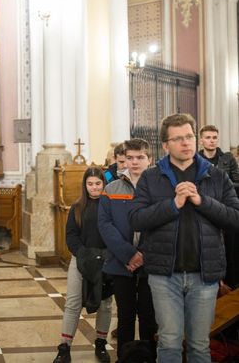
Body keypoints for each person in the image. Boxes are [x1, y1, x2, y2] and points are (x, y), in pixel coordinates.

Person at [129, 113, 239, 363]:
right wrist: (173, 204)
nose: (186, 142)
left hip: (204, 275)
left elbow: (234, 219)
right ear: (165, 145)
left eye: (189, 136)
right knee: (169, 342)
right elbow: (136, 219)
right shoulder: (151, 177)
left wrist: (202, 201)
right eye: (178, 139)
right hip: (164, 275)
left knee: (200, 345)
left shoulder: (216, 176)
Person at [98, 139, 157, 359]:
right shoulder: (112, 188)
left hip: (151, 263)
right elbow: (105, 225)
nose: (134, 162)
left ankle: (149, 357)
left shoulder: (159, 189)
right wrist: (129, 254)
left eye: (140, 157)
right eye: (130, 157)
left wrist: (143, 255)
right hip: (121, 263)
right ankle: (124, 358)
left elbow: (163, 225)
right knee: (125, 315)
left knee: (149, 316)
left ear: (150, 159)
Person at [54, 166, 112, 363]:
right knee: (73, 303)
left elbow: (115, 233)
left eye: (98, 183)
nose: (94, 187)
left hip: (106, 260)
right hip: (81, 259)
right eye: (90, 184)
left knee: (105, 304)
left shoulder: (110, 205)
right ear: (85, 185)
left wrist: (106, 255)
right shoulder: (77, 207)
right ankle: (64, 348)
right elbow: (71, 235)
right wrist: (83, 254)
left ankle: (101, 343)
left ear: (104, 183)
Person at [198, 125, 239, 289]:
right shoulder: (195, 159)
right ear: (201, 140)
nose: (211, 140)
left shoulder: (227, 158)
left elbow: (237, 181)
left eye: (214, 137)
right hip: (203, 210)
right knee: (206, 249)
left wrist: (222, 186)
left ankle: (231, 284)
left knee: (230, 249)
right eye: (208, 137)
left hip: (225, 208)